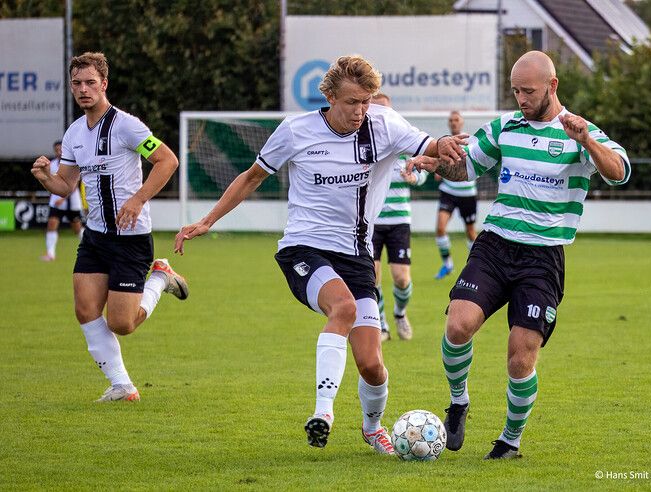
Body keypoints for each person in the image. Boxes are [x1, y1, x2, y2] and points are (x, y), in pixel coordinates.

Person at [174, 55, 462, 453]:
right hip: (303, 247)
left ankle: (371, 426)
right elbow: (252, 176)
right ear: (329, 97)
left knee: (372, 366)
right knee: (341, 308)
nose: (360, 111)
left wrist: (441, 145)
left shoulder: (384, 124)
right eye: (351, 103)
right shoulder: (296, 130)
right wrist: (208, 220)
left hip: (357, 254)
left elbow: (430, 145)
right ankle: (322, 413)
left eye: (366, 101)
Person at [408, 51, 631, 459]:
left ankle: (509, 440)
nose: (521, 99)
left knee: (520, 355)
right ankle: (458, 401)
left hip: (543, 258)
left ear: (553, 85)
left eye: (528, 91)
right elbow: (465, 169)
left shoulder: (580, 131)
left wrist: (587, 142)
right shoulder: (504, 128)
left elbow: (618, 172)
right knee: (458, 326)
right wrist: (433, 164)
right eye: (515, 90)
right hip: (495, 245)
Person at [31, 52, 189, 402]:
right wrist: (45, 177)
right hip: (95, 237)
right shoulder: (74, 133)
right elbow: (65, 185)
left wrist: (138, 199)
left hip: (131, 240)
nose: (83, 89)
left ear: (104, 84)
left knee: (123, 323)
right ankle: (123, 385)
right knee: (86, 309)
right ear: (71, 87)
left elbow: (167, 160)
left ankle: (160, 276)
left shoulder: (127, 125)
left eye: (90, 82)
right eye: (77, 83)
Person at [370, 93, 428, 342]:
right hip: (371, 222)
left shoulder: (403, 145)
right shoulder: (365, 147)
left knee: (402, 279)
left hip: (399, 223)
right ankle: (381, 326)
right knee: (371, 278)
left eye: (387, 111)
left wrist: (415, 178)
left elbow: (422, 171)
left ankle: (399, 313)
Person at [434, 110, 478, 280]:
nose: (453, 122)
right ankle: (447, 264)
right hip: (448, 192)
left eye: (456, 120)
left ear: (461, 122)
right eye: (451, 120)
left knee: (470, 232)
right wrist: (439, 169)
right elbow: (439, 169)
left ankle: (474, 266)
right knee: (440, 228)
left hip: (467, 194)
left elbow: (476, 165)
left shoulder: (470, 142)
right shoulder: (442, 143)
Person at [41, 140, 85, 261]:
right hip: (56, 201)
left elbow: (74, 183)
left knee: (77, 228)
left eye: (61, 149)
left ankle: (94, 249)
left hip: (72, 202)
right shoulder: (52, 164)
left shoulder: (73, 163)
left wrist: (63, 198)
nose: (59, 151)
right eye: (57, 150)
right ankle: (50, 254)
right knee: (51, 224)